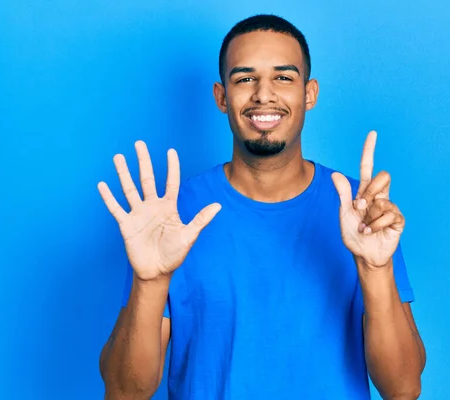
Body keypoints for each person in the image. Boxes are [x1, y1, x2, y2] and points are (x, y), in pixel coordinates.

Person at [97, 14, 426, 400]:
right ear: (222, 97)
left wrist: (376, 268)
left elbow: (403, 389)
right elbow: (124, 392)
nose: (263, 94)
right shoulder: (171, 215)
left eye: (283, 77)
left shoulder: (360, 210)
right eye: (245, 78)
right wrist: (149, 282)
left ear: (309, 93)